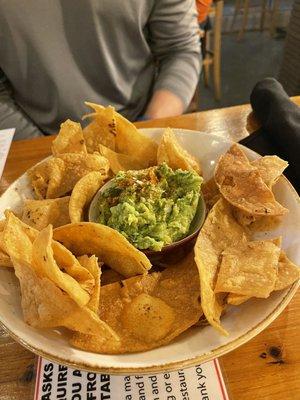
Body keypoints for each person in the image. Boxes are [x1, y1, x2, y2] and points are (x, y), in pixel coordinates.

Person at [0, 0, 201, 140]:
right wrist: (44, 151)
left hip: (137, 123)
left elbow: (179, 50)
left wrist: (144, 132)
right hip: (34, 136)